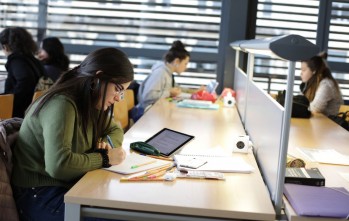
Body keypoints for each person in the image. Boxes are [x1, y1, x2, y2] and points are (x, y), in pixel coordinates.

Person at [11, 47, 134, 221]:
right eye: (118, 89)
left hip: (67, 186)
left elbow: (114, 129)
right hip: (39, 194)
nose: (118, 98)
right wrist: (104, 158)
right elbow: (59, 166)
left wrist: (105, 145)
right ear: (98, 78)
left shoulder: (90, 102)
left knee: (124, 209)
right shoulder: (62, 104)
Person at [134, 40, 190, 121]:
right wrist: (169, 92)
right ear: (177, 61)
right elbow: (147, 96)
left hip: (155, 112)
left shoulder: (168, 74)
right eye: (185, 63)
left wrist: (193, 92)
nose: (186, 67)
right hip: (145, 114)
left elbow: (177, 88)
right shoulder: (160, 73)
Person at [0, 27, 45, 118]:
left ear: (6, 46)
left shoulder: (16, 61)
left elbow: (25, 80)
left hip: (18, 113)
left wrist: (10, 99)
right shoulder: (34, 61)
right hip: (33, 110)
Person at [300, 52, 343, 116]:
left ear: (314, 71)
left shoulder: (326, 84)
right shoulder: (310, 85)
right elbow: (301, 102)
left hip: (331, 124)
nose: (301, 73)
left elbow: (315, 108)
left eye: (303, 70)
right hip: (318, 122)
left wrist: (298, 107)